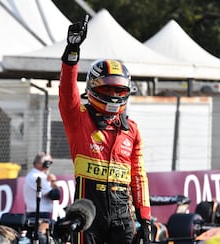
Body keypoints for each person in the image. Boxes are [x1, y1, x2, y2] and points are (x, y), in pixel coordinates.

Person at [59, 15, 151, 244]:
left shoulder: (132, 130)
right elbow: (67, 93)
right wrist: (71, 53)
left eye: (119, 90)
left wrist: (146, 218)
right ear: (93, 87)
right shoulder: (78, 119)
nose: (113, 95)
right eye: (108, 89)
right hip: (88, 212)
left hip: (122, 212)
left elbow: (138, 177)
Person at [23, 152, 60, 219]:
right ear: (38, 163)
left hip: (40, 212)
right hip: (39, 213)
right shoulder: (37, 177)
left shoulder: (39, 175)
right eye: (47, 162)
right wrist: (53, 181)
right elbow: (55, 195)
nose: (48, 165)